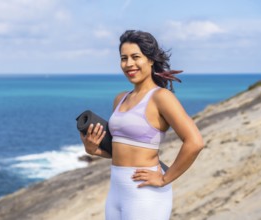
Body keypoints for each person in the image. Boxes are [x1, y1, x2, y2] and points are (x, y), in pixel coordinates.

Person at [80, 30, 204, 220]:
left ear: (151, 60)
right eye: (124, 58)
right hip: (116, 191)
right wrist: (93, 150)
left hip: (146, 195)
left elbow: (194, 142)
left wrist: (164, 178)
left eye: (135, 57)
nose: (129, 64)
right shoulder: (120, 98)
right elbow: (123, 150)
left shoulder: (161, 97)